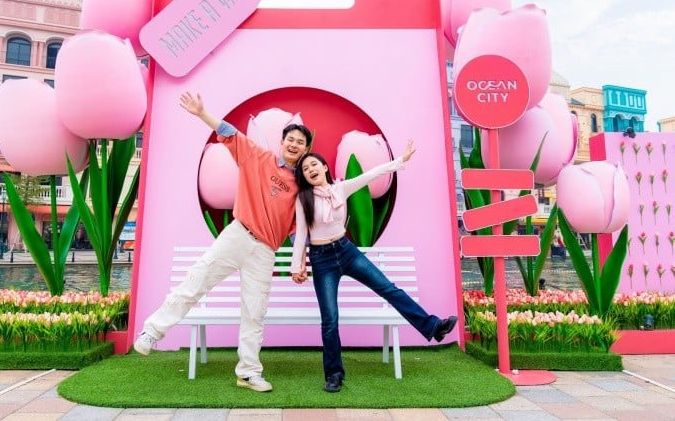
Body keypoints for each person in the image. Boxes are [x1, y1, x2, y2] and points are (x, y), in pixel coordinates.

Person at [134, 92, 312, 393]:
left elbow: (297, 230)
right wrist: (203, 113)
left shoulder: (301, 185)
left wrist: (300, 263)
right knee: (196, 280)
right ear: (281, 141)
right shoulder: (258, 156)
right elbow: (229, 132)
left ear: (307, 148)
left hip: (265, 251)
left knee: (255, 311)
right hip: (238, 235)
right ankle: (152, 331)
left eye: (300, 142)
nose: (294, 145)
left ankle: (248, 372)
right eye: (290, 139)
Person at [290, 140, 458, 393]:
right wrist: (296, 266)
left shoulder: (341, 188)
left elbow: (371, 174)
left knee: (388, 289)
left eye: (314, 164)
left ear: (324, 167)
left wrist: (400, 161)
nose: (310, 169)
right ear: (304, 176)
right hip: (322, 258)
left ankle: (433, 326)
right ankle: (334, 374)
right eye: (305, 169)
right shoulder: (303, 199)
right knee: (330, 319)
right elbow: (301, 234)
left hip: (345, 251)